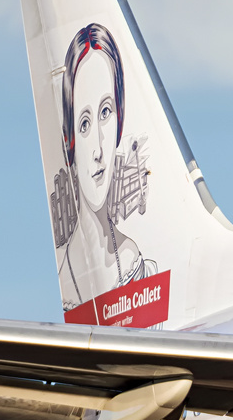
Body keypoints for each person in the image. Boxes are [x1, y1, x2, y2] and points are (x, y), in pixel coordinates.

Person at [49, 22, 155, 312]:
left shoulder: (137, 262)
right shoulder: (69, 280)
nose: (97, 149)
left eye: (105, 112)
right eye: (84, 124)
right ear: (69, 141)